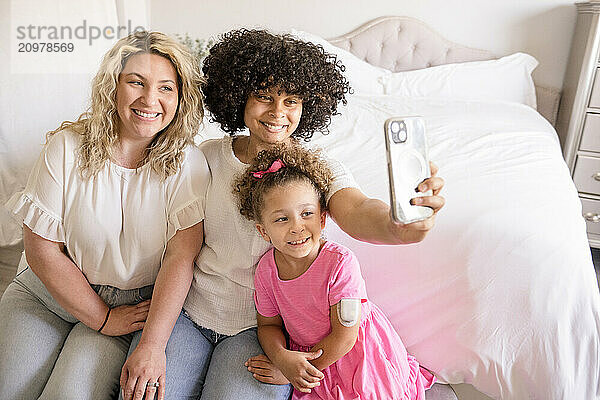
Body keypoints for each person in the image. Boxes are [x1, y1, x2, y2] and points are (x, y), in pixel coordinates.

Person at [123, 29, 444, 399]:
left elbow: (357, 211)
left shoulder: (317, 168)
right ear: (238, 98)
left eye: (291, 100)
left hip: (262, 331)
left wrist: (402, 226)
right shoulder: (206, 157)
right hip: (191, 314)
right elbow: (180, 250)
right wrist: (152, 343)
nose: (278, 113)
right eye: (264, 97)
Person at [0, 30, 209, 400]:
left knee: (68, 394)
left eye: (166, 88)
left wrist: (147, 340)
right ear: (113, 86)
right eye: (136, 82)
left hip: (127, 308)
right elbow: (42, 251)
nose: (150, 99)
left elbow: (181, 257)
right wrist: (101, 317)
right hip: (44, 296)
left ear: (181, 98)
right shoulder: (66, 148)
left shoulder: (188, 164)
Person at [233, 143, 437, 399]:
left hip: (354, 354)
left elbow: (344, 337)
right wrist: (282, 358)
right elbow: (268, 325)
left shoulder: (340, 264)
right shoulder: (266, 270)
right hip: (312, 358)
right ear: (263, 231)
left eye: (307, 214)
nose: (297, 227)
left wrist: (293, 374)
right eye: (281, 219)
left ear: (322, 218)